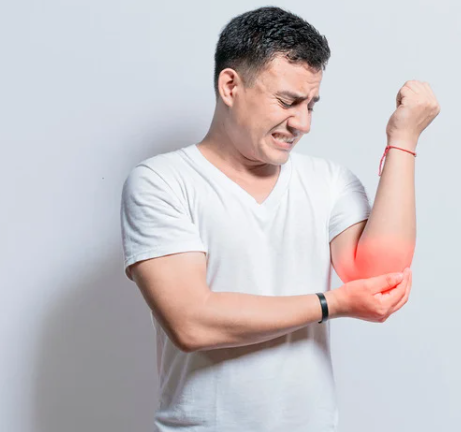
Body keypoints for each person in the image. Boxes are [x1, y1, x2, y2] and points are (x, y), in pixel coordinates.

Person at [120, 6, 440, 432]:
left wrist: (403, 140)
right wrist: (331, 304)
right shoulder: (161, 182)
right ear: (230, 86)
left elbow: (379, 276)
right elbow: (191, 322)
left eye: (311, 105)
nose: (302, 123)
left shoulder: (329, 181)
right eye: (288, 102)